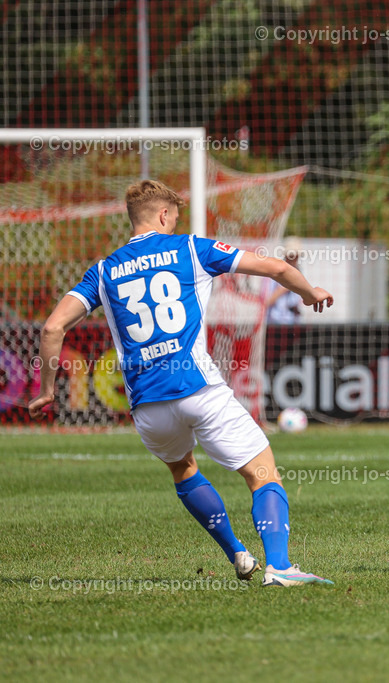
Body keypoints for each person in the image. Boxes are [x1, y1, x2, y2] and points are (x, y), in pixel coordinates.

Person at [28, 179, 333, 587]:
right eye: (174, 217)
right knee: (262, 473)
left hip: (148, 406)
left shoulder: (102, 271)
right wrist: (309, 293)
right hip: (198, 388)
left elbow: (52, 327)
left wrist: (47, 389)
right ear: (164, 215)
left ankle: (237, 555)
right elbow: (276, 268)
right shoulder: (190, 248)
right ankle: (279, 566)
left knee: (184, 469)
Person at [264, 237, 304, 324]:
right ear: (286, 255)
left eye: (296, 255)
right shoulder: (274, 270)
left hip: (292, 321)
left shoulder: (298, 271)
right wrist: (285, 287)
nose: (294, 258)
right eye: (291, 255)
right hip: (275, 322)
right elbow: (266, 302)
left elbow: (295, 301)